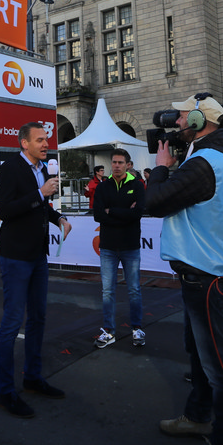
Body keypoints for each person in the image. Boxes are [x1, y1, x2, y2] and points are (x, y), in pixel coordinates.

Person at [147, 94, 223, 445]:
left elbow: (155, 202)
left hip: (206, 275)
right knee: (203, 359)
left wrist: (160, 168)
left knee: (218, 366)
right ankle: (198, 415)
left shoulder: (204, 162)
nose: (176, 122)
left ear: (199, 120)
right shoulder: (219, 159)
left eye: (183, 116)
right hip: (210, 273)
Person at [0, 121, 72, 418]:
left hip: (39, 254)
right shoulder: (10, 169)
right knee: (12, 322)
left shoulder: (42, 170)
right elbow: (6, 210)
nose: (45, 144)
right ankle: (5, 391)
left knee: (38, 318)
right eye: (39, 140)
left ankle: (33, 377)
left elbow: (41, 207)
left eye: (46, 139)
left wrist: (59, 218)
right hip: (15, 256)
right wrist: (40, 193)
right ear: (24, 143)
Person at [92, 148, 145, 349]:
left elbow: (138, 213)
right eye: (114, 162)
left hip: (130, 246)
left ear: (128, 165)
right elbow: (98, 215)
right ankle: (109, 331)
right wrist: (125, 214)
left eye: (120, 162)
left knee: (134, 290)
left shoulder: (137, 185)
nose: (116, 165)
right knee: (107, 291)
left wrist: (111, 211)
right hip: (108, 247)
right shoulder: (102, 187)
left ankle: (137, 328)